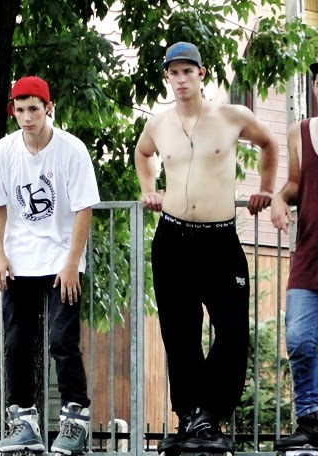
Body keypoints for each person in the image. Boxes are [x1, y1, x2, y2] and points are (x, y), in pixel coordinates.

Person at [135, 41, 278, 455]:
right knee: (179, 335)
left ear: (201, 74)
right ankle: (189, 421)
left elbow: (269, 144)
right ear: (167, 77)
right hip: (172, 239)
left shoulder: (231, 116)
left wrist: (266, 189)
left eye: (187, 71)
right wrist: (148, 188)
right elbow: (143, 153)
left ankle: (209, 415)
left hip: (219, 240)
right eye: (173, 73)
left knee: (232, 330)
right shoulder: (159, 123)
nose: (181, 79)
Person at [0, 76, 100, 456]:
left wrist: (72, 263)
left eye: (34, 109)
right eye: (20, 110)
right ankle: (24, 423)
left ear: (49, 109)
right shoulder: (5, 150)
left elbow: (84, 208)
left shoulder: (71, 150)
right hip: (19, 259)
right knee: (16, 343)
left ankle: (75, 420)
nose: (27, 117)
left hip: (61, 259)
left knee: (62, 340)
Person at [271, 68, 318, 452]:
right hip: (309, 254)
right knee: (300, 340)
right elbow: (294, 185)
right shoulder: (300, 132)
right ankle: (310, 421)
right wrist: (277, 199)